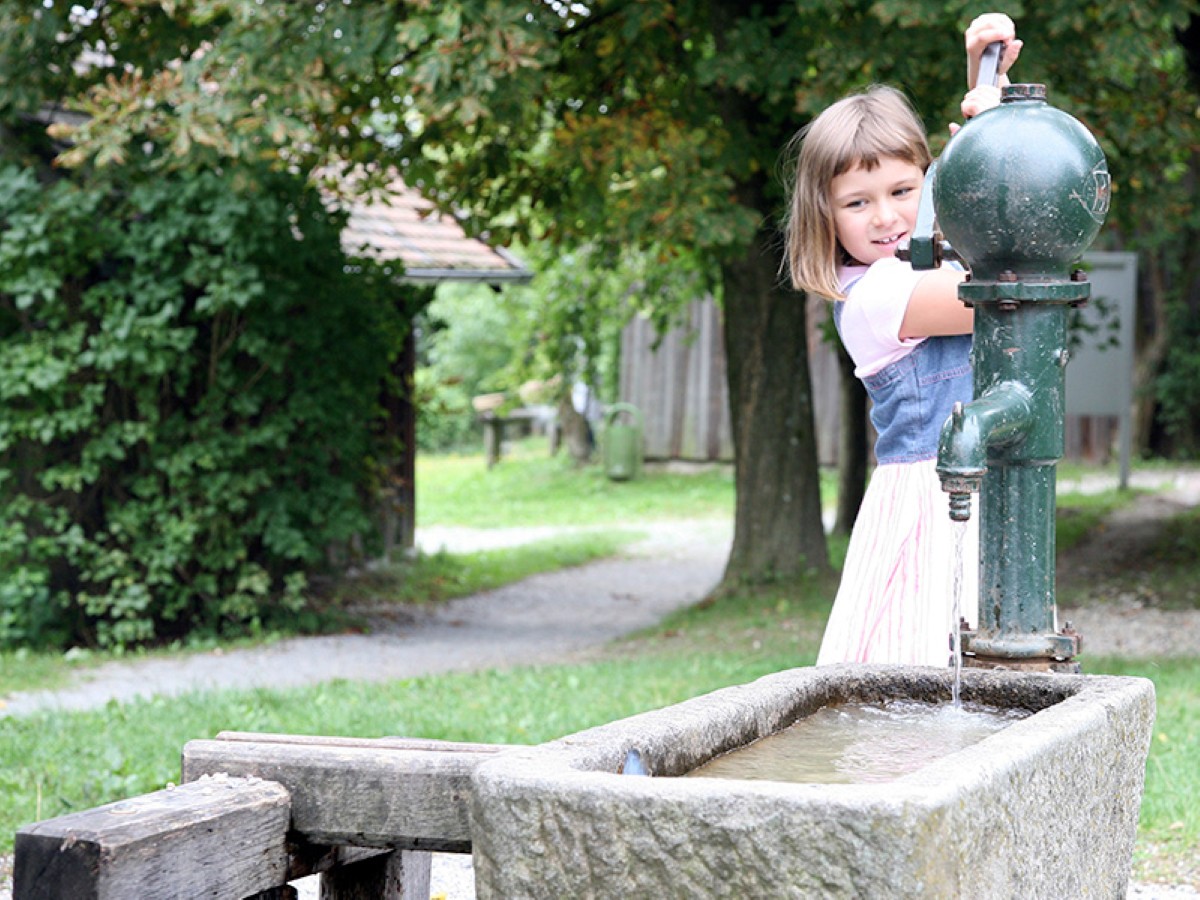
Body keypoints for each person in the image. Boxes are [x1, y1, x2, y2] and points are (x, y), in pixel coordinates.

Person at [784, 14, 1022, 666]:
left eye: (902, 190)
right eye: (856, 203)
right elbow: (996, 293)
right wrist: (986, 139)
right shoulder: (875, 297)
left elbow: (975, 208)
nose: (886, 216)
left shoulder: (927, 263)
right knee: (914, 677)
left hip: (984, 487)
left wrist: (987, 95)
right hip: (931, 507)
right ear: (825, 215)